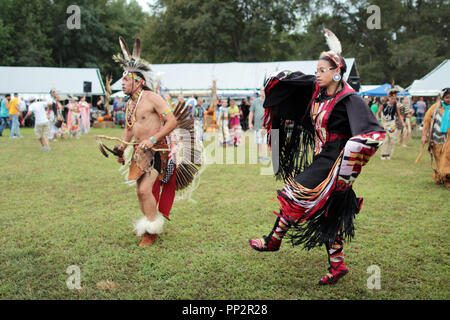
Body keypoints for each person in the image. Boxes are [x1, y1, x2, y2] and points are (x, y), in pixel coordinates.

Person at [248, 29, 385, 285]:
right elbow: (293, 88)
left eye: (322, 69)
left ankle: (273, 239)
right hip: (322, 158)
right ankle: (337, 266)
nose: (317, 74)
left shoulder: (349, 99)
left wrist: (351, 155)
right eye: (317, 69)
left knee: (294, 192)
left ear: (336, 72)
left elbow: (371, 132)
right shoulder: (318, 95)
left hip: (334, 162)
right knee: (328, 214)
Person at [113, 37, 178, 247]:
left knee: (144, 190)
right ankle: (148, 225)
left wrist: (153, 139)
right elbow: (129, 128)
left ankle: (152, 230)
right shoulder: (130, 105)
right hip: (139, 153)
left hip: (157, 151)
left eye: (125, 80)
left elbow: (172, 121)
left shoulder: (153, 98)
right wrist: (121, 148)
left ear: (138, 81)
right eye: (122, 80)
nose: (122, 83)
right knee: (139, 192)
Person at [421, 88, 450, 187]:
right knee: (438, 158)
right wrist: (424, 136)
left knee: (446, 158)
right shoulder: (435, 108)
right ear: (442, 98)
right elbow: (427, 122)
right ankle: (440, 176)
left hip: (448, 139)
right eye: (447, 97)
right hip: (436, 138)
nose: (449, 99)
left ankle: (447, 178)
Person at [376, 92, 405, 159]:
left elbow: (399, 115)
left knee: (392, 139)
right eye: (392, 98)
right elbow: (378, 113)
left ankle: (389, 154)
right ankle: (383, 154)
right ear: (389, 98)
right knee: (385, 139)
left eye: (394, 99)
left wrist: (403, 122)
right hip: (385, 123)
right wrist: (377, 121)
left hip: (392, 124)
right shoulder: (384, 105)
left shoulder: (396, 106)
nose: (393, 100)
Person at [249, 87, 269, 162]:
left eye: (264, 90)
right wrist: (250, 123)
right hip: (258, 125)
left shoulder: (269, 101)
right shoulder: (255, 102)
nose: (263, 92)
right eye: (261, 90)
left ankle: (266, 156)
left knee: (266, 142)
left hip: (267, 126)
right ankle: (260, 156)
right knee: (259, 142)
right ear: (260, 92)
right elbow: (251, 113)